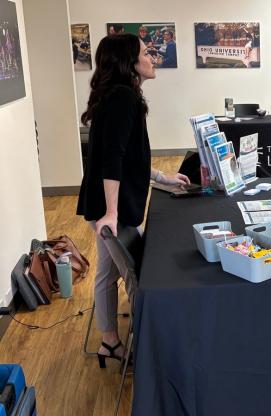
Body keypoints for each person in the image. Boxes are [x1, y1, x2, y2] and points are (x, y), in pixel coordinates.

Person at [76, 33, 190, 368]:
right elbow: (113, 159)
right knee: (137, 277)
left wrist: (161, 177)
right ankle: (141, 345)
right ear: (129, 62)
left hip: (107, 202)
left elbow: (129, 157)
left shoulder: (119, 96)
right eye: (145, 52)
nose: (151, 56)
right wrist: (111, 213)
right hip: (110, 206)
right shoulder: (123, 97)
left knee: (107, 274)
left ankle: (109, 341)